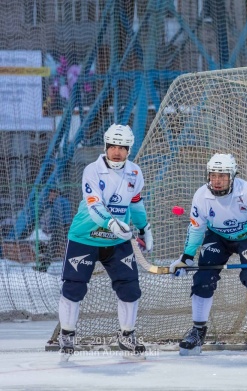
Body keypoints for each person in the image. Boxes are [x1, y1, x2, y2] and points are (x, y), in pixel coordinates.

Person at [169, 153, 247, 355]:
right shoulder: (201, 196)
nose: (217, 181)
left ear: (232, 176)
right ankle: (198, 331)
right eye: (213, 175)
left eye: (222, 176)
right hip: (218, 236)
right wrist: (186, 257)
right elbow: (196, 228)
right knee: (203, 279)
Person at [57, 124, 153, 359]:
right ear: (106, 146)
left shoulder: (135, 173)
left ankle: (127, 336)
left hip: (117, 240)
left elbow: (136, 204)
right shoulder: (92, 170)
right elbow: (94, 207)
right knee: (74, 286)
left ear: (129, 149)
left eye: (122, 147)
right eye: (113, 147)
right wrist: (111, 223)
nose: (117, 152)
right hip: (85, 237)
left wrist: (144, 227)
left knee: (130, 288)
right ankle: (67, 335)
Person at [45, 186, 72, 261]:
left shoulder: (58, 201)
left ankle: (46, 262)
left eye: (51, 194)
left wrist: (52, 226)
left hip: (60, 225)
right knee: (66, 242)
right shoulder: (65, 200)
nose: (50, 195)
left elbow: (57, 215)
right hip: (67, 224)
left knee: (53, 243)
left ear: (56, 193)